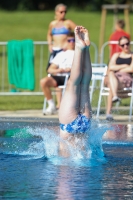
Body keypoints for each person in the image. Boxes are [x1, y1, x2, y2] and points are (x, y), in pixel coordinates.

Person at [58, 26, 92, 156]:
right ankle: (80, 48)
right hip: (69, 127)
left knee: (84, 85)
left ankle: (85, 48)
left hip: (84, 125)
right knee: (74, 85)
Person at [40, 32, 75, 115]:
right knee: (43, 81)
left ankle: (67, 106)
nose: (72, 42)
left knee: (70, 83)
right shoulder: (61, 54)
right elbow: (50, 69)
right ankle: (51, 105)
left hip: (71, 76)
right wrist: (59, 70)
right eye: (69, 40)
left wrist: (71, 69)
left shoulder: (79, 54)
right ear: (66, 41)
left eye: (74, 40)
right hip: (60, 75)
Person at [106, 36, 133, 121]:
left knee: (111, 83)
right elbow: (110, 67)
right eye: (123, 45)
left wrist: (117, 68)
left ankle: (109, 112)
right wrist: (124, 65)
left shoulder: (132, 55)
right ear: (119, 46)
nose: (125, 46)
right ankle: (115, 96)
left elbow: (131, 69)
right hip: (114, 77)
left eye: (127, 44)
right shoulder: (116, 55)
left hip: (125, 79)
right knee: (111, 75)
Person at [47, 3, 76, 69]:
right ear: (56, 12)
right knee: (50, 69)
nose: (63, 14)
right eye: (61, 12)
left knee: (62, 68)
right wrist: (50, 44)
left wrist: (69, 42)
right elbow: (49, 34)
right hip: (54, 49)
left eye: (65, 12)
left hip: (64, 50)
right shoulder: (53, 23)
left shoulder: (68, 22)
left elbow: (78, 32)